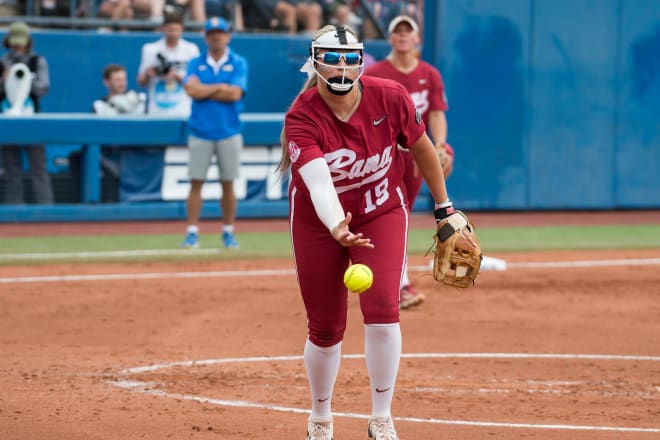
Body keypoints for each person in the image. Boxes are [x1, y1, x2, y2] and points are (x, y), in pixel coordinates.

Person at [279, 24, 472, 440]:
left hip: (380, 209)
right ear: (315, 62)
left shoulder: (390, 96)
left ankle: (381, 416)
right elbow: (317, 183)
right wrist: (336, 226)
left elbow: (421, 146)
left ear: (363, 60)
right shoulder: (302, 114)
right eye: (332, 59)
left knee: (384, 311)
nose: (342, 67)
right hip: (318, 221)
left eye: (350, 58)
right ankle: (320, 418)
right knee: (326, 328)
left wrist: (444, 208)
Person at [364, 15, 450, 309]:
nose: (402, 36)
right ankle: (398, 285)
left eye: (407, 31)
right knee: (389, 218)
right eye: (397, 31)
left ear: (416, 39)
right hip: (382, 158)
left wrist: (438, 145)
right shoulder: (375, 72)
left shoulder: (429, 74)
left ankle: (392, 281)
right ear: (390, 38)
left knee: (399, 217)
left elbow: (436, 114)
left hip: (414, 157)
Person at [181, 17, 248, 249]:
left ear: (227, 35)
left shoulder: (238, 62)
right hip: (200, 131)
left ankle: (228, 231)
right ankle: (191, 232)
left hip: (229, 130)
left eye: (220, 32)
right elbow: (190, 89)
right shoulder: (195, 62)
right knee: (195, 182)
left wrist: (204, 90)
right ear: (206, 36)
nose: (216, 36)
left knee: (228, 183)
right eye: (212, 33)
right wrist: (220, 87)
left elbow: (235, 94)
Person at [0, 21, 54, 205]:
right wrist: (5, 80)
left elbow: (44, 88)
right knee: (11, 169)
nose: (18, 47)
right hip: (8, 119)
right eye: (14, 43)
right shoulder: (3, 63)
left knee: (38, 167)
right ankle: (13, 211)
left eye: (20, 43)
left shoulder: (38, 61)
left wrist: (26, 79)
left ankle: (47, 211)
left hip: (32, 120)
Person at [137, 9, 200, 117]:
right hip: (156, 111)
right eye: (170, 30)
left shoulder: (191, 49)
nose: (173, 34)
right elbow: (141, 82)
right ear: (163, 28)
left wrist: (177, 76)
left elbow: (197, 83)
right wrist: (148, 74)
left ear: (182, 29)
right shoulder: (150, 49)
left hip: (184, 110)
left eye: (176, 30)